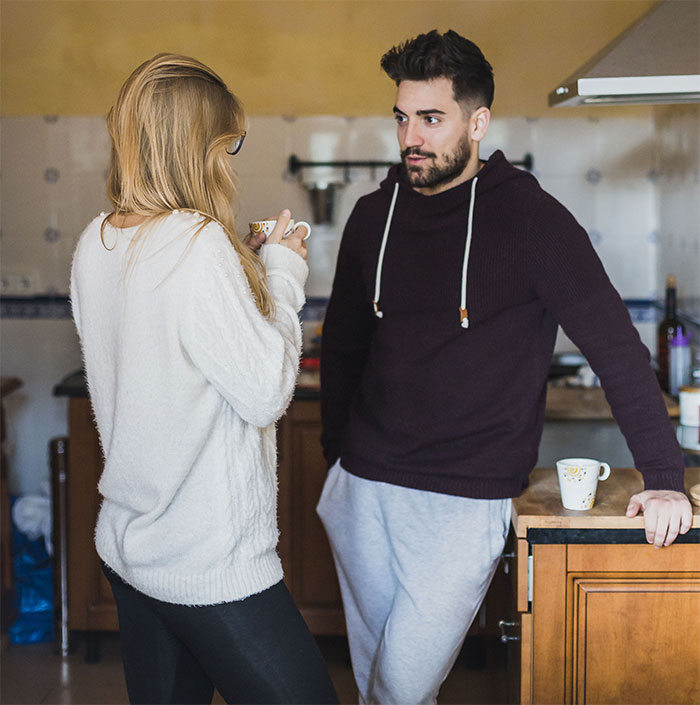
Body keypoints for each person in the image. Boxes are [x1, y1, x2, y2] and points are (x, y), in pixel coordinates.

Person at [316, 30, 693, 705]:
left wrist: (665, 476)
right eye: (402, 116)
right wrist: (335, 458)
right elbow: (344, 342)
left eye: (431, 118)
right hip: (365, 490)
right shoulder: (373, 215)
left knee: (401, 686)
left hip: (466, 499)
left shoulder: (534, 222)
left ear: (478, 121)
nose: (411, 136)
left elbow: (614, 347)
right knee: (379, 687)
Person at [70, 54, 338, 705]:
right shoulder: (195, 244)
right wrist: (280, 272)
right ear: (198, 145)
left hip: (133, 550)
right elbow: (266, 390)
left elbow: (167, 336)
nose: (231, 159)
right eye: (229, 142)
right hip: (210, 564)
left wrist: (240, 268)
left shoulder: (96, 240)